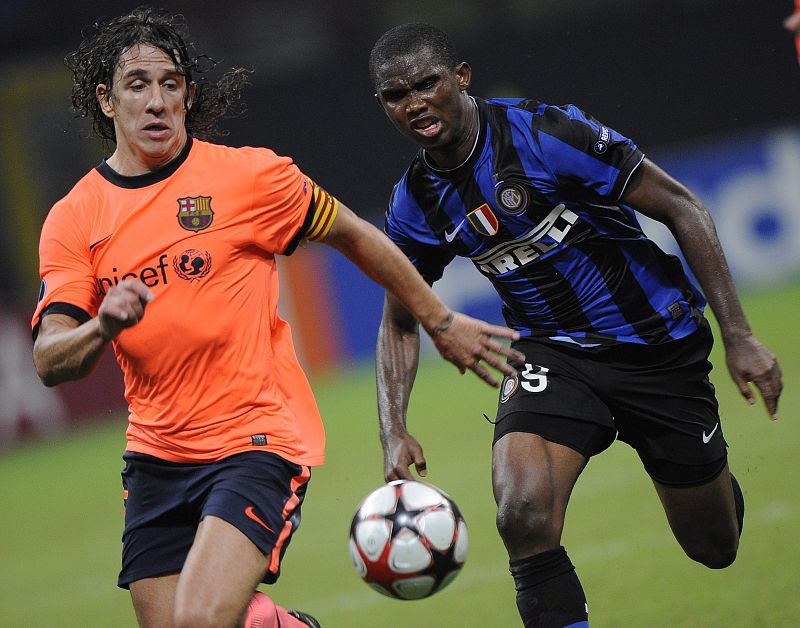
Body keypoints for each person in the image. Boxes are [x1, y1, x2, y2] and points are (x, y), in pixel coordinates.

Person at [31, 9, 522, 628]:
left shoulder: (249, 177)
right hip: (156, 454)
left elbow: (357, 236)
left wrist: (440, 321)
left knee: (199, 620)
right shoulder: (74, 218)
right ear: (107, 100)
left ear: (187, 95)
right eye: (137, 85)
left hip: (256, 441)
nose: (156, 101)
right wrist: (101, 327)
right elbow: (49, 360)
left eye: (170, 84)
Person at [369, 23, 783, 628]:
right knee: (522, 512)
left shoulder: (545, 133)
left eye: (427, 84)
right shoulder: (414, 204)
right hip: (550, 355)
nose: (414, 104)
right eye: (395, 95)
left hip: (656, 345)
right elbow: (399, 320)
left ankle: (706, 472)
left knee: (714, 547)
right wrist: (393, 428)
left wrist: (739, 335)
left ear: (461, 77)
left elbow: (682, 206)